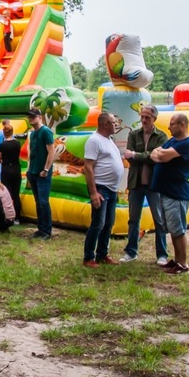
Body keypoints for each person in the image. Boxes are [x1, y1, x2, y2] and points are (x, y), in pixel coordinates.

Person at [121, 105, 170, 265]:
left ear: (154, 118)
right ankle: (131, 252)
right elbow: (129, 156)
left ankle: (162, 254)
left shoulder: (162, 136)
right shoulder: (134, 134)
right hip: (135, 183)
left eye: (147, 117)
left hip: (154, 184)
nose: (143, 120)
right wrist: (144, 156)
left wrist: (136, 155)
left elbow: (158, 157)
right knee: (133, 219)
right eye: (142, 117)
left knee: (159, 219)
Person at [150, 113, 189, 275]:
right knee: (172, 229)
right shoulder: (172, 141)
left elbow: (161, 156)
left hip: (176, 194)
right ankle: (177, 260)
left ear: (182, 124)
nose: (169, 127)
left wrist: (160, 154)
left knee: (178, 230)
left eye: (172, 124)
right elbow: (154, 153)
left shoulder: (187, 144)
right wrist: (159, 154)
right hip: (166, 192)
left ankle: (183, 264)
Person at [82, 112, 124, 268]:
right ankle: (88, 257)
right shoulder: (94, 141)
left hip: (111, 189)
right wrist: (93, 192)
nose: (116, 125)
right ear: (105, 124)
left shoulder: (109, 140)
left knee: (108, 223)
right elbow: (88, 167)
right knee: (98, 223)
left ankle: (102, 254)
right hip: (101, 188)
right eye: (113, 122)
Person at [26, 108, 56, 240]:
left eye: (33, 116)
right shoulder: (32, 134)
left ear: (40, 117)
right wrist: (29, 170)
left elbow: (51, 151)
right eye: (29, 117)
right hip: (33, 171)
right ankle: (41, 228)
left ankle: (47, 231)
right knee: (38, 202)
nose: (31, 119)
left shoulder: (45, 131)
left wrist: (46, 169)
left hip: (42, 173)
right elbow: (31, 152)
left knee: (43, 202)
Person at [0, 121, 23, 225]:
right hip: (16, 169)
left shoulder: (2, 145)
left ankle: (8, 216)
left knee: (7, 194)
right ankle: (17, 217)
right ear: (12, 132)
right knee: (16, 194)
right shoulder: (17, 143)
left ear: (4, 133)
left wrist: (4, 161)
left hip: (6, 169)